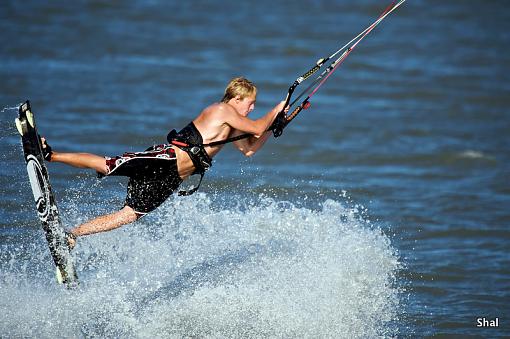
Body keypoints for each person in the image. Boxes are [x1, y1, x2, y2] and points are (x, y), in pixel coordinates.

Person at [41, 77, 287, 249]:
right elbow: (256, 126)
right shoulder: (221, 110)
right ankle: (50, 155)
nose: (253, 107)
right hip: (165, 160)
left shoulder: (231, 125)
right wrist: (278, 109)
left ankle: (71, 235)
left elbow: (250, 149)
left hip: (172, 179)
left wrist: (279, 124)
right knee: (107, 165)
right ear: (236, 97)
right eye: (250, 103)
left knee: (129, 215)